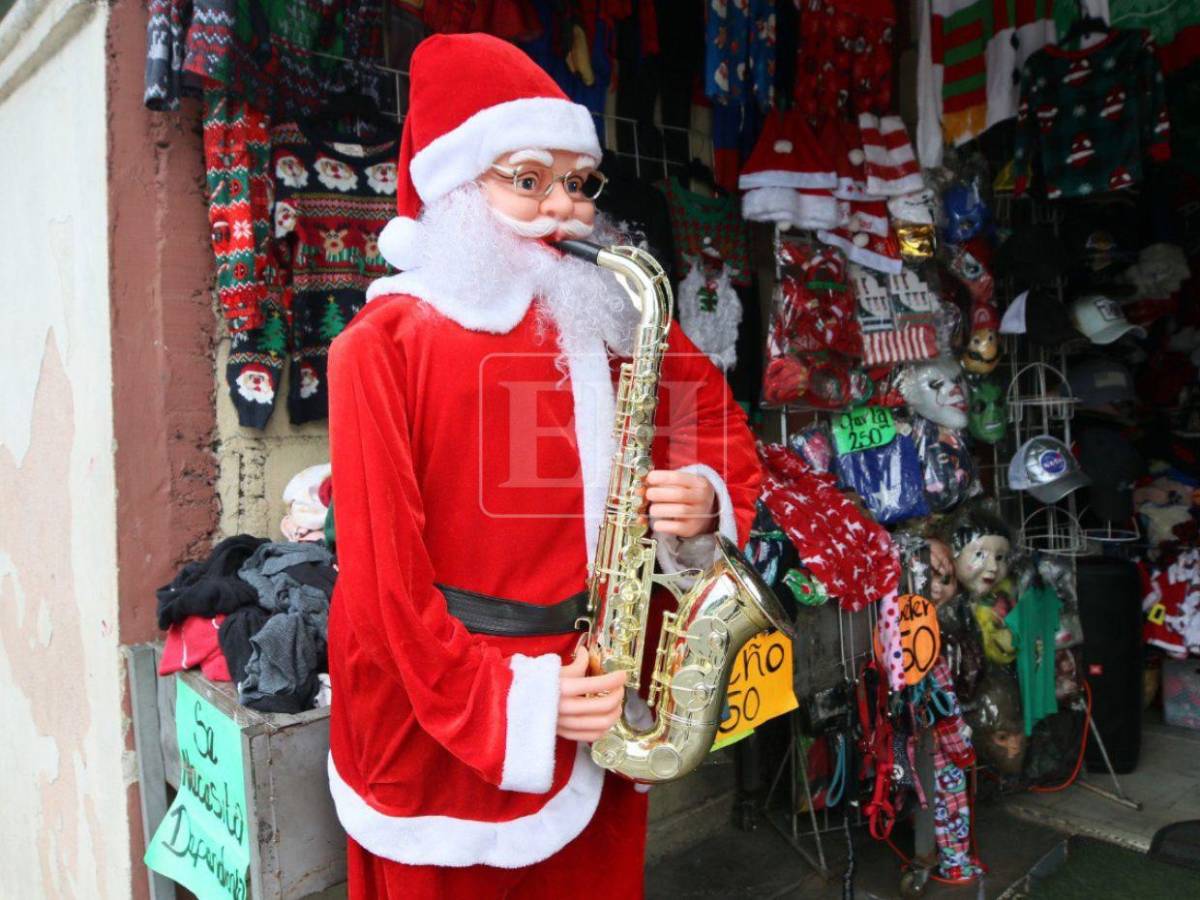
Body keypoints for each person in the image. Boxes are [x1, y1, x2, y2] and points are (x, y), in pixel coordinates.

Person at [325, 33, 761, 899]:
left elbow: (713, 420)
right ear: (455, 188)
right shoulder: (382, 344)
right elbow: (383, 591)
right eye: (529, 181)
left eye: (578, 183)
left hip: (604, 700)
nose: (564, 208)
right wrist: (514, 704)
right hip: (449, 730)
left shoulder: (613, 309)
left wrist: (705, 500)